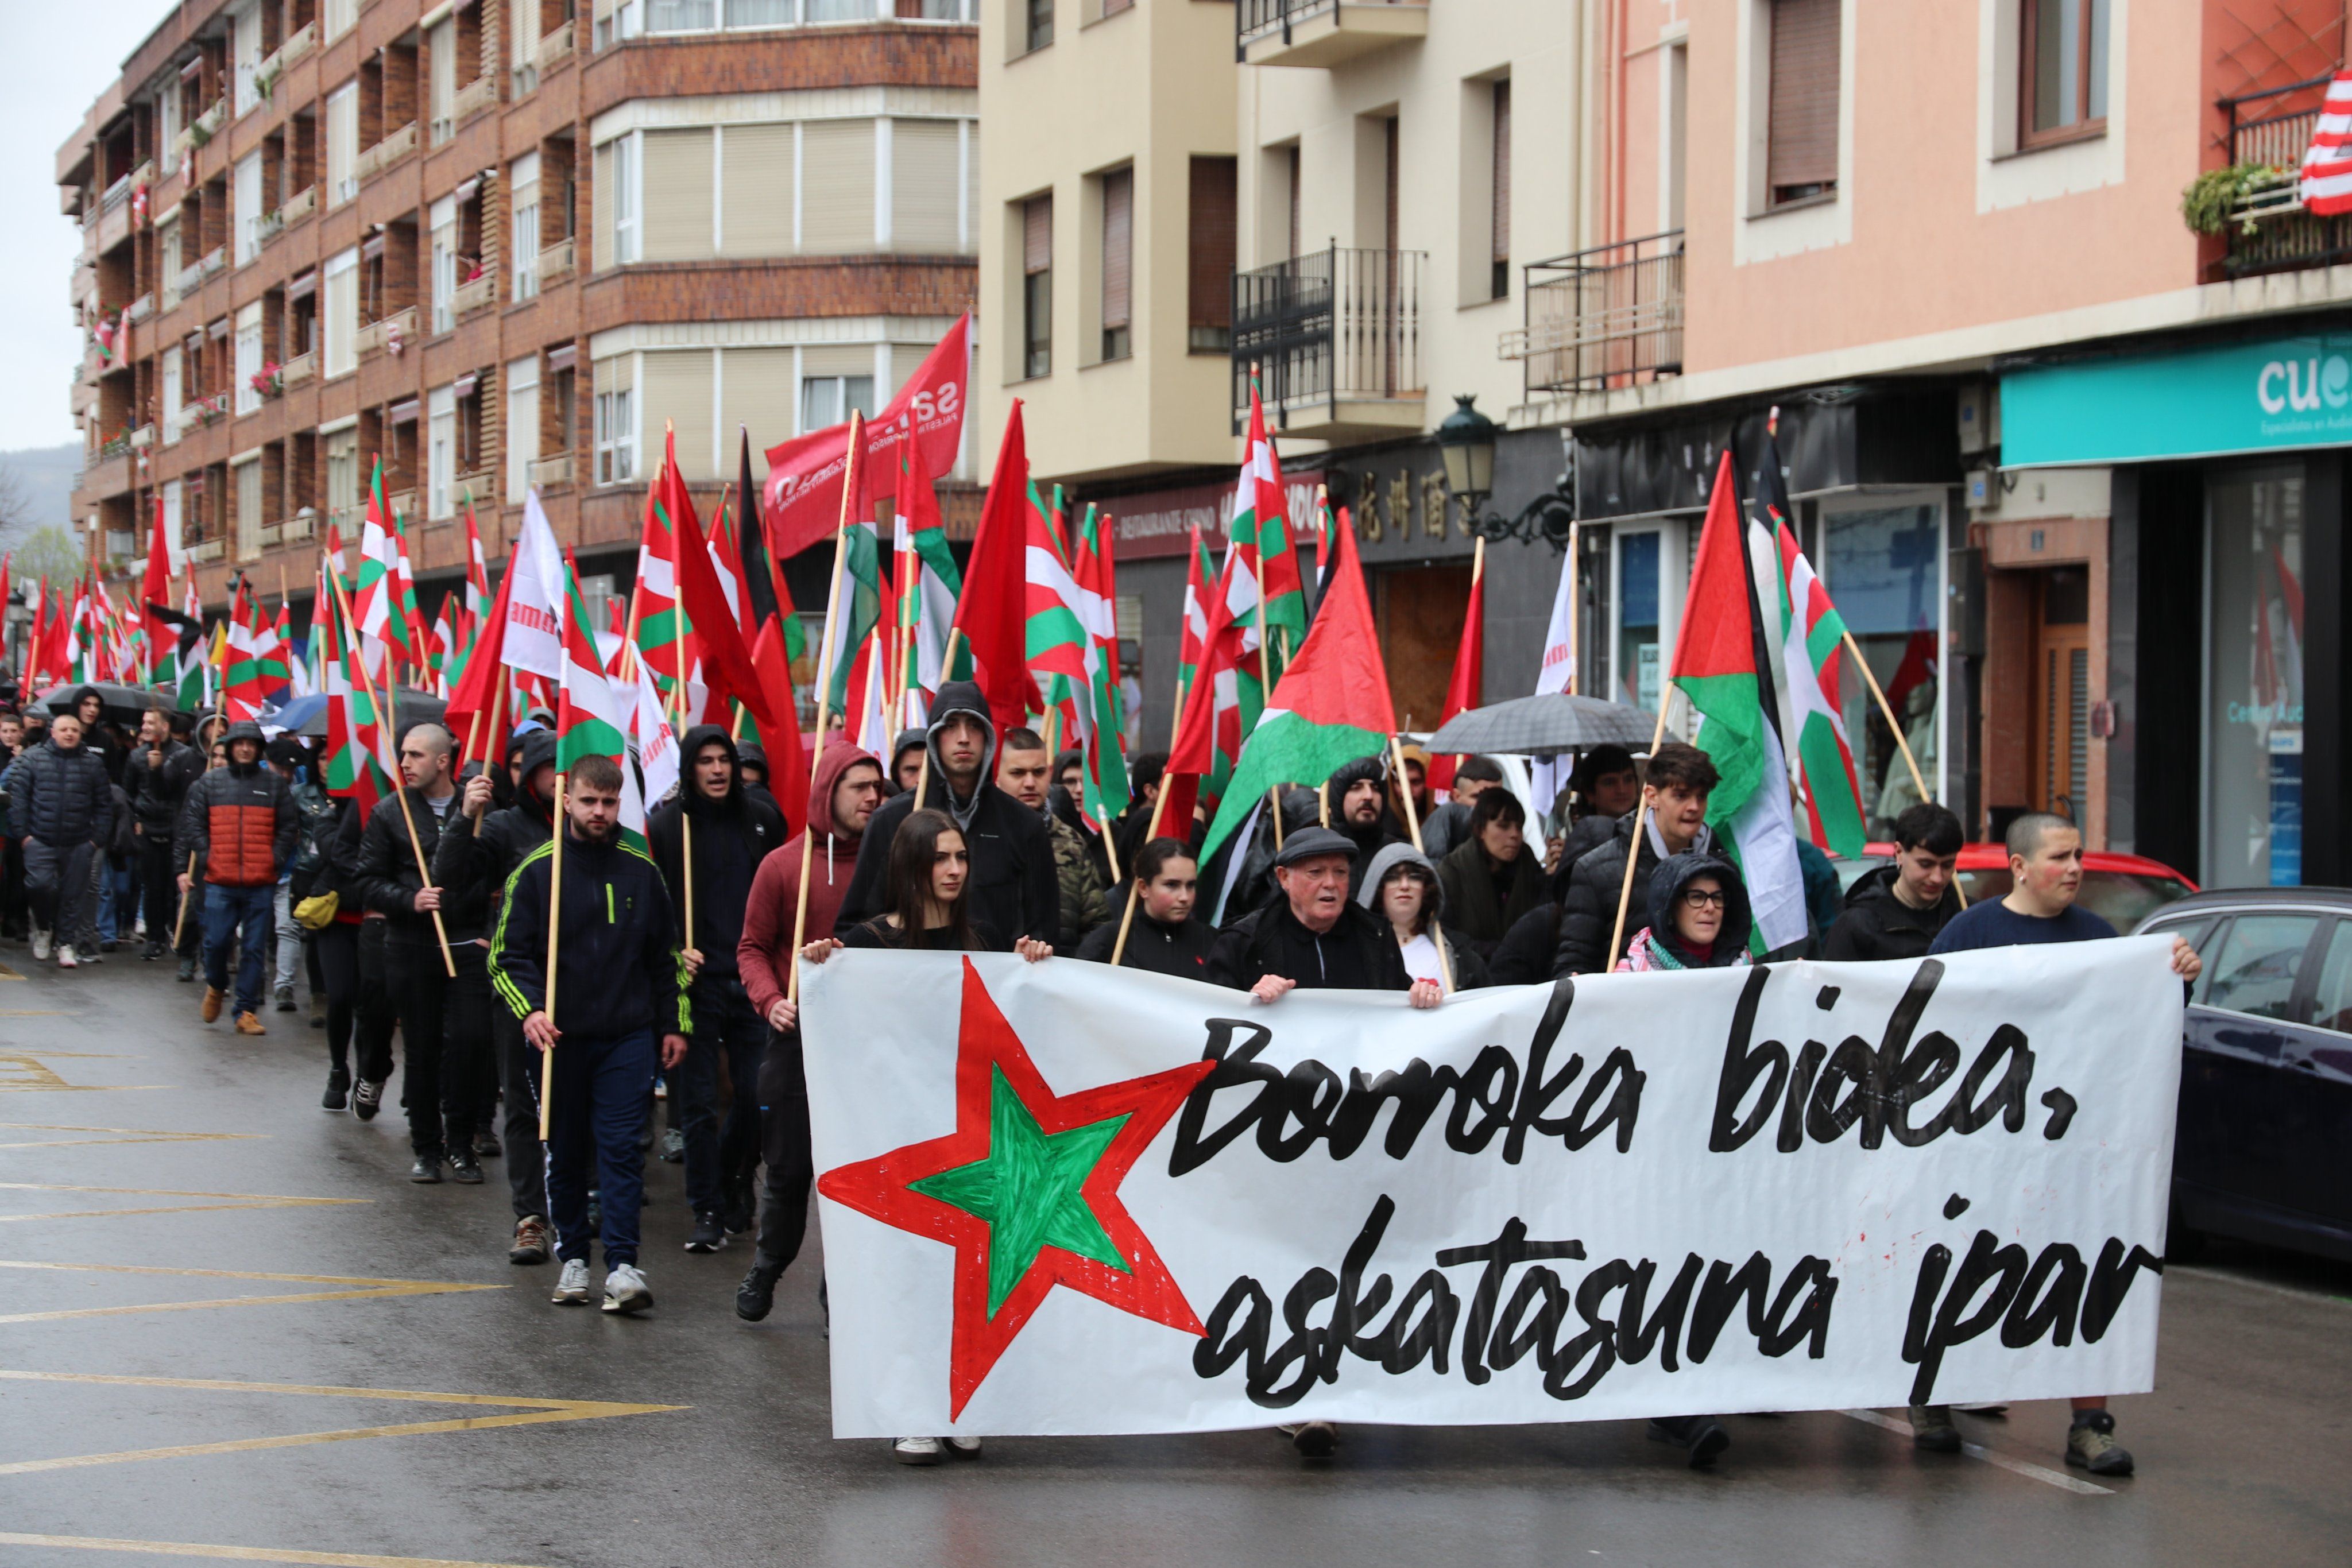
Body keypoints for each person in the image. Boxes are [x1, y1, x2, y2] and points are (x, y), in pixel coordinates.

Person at [1921, 810, 2201, 1477]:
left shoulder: (2100, 939)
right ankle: (1930, 1393)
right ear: (2019, 867)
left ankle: (2089, 1425)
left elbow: (2136, 1025)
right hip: (1980, 1141)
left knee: (2083, 1266)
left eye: (2078, 856)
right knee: (1957, 1262)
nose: (2075, 868)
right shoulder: (1971, 932)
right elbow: (1926, 1024)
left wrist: (2175, 981)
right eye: (2059, 857)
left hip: (2069, 1144)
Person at [797, 807, 1050, 1465]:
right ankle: (910, 1409)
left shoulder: (986, 937)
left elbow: (1014, 1024)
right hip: (896, 1130)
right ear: (911, 865)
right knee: (906, 1269)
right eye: (940, 858)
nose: (955, 869)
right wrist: (824, 967)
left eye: (961, 858)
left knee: (963, 1269)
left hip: (968, 1130)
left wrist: (1031, 966)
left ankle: (962, 1405)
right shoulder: (868, 946)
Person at [1208, 826, 1440, 1459]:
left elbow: (1398, 1019)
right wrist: (1249, 1007)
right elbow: (1204, 1029)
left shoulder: (1370, 936)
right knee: (1282, 1257)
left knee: (1343, 1258)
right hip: (1270, 1137)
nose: (1331, 884)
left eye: (1340, 871)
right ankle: (1294, 1385)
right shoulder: (1246, 940)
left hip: (1351, 1133)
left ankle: (1326, 1386)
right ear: (1283, 879)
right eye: (1315, 872)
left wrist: (1419, 1001)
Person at [489, 753, 690, 1318]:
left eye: (609, 802)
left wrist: (675, 1024)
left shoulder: (641, 872)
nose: (599, 812)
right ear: (566, 800)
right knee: (567, 1149)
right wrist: (529, 1010)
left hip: (627, 1035)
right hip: (558, 1037)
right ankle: (573, 1256)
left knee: (623, 1148)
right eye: (589, 801)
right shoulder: (536, 871)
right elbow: (506, 958)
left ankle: (623, 1265)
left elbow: (664, 958)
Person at [734, 741, 885, 1321]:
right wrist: (769, 1000)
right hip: (796, 1039)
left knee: (853, 1178)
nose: (872, 797)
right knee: (791, 1169)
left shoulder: (888, 865)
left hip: (866, 1044)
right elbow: (749, 947)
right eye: (858, 786)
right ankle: (768, 1266)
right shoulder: (781, 865)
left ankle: (836, 1295)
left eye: (877, 786)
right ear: (827, 792)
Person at [648, 726, 786, 1253]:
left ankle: (733, 1176)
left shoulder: (761, 819)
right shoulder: (666, 826)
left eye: (723, 759)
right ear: (689, 768)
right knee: (700, 1105)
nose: (717, 770)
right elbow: (653, 908)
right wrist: (673, 951)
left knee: (757, 1096)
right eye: (705, 760)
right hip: (695, 984)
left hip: (754, 981)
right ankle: (705, 1207)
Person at [438, 727, 560, 1263]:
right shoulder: (506, 826)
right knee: (524, 1103)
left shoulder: (600, 828)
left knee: (582, 1104)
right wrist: (465, 817)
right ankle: (530, 1216)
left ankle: (588, 1201)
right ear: (529, 775)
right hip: (519, 985)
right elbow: (451, 876)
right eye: (547, 768)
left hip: (588, 985)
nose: (560, 779)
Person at [351, 722, 485, 1185]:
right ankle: (427, 1147)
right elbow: (366, 879)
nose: (404, 764)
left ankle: (462, 1144)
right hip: (411, 944)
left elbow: (502, 872)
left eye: (415, 755)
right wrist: (408, 899)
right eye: (402, 754)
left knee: (469, 1045)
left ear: (443, 760)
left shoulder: (480, 802)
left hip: (467, 942)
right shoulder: (390, 812)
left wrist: (488, 927)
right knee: (423, 1049)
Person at [835, 680, 1057, 950]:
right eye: (950, 726)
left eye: (974, 725)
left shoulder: (1024, 825)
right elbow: (856, 925)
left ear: (988, 736)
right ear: (934, 736)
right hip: (908, 983)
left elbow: (1043, 927)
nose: (963, 737)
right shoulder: (891, 820)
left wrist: (1031, 954)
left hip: (992, 985)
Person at [1552, 742, 1719, 978]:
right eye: (1681, 796)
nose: (1694, 807)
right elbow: (1573, 962)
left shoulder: (1721, 867)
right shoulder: (1597, 870)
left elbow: (1735, 948)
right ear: (1652, 796)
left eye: (1701, 796)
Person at [176, 719, 296, 1030]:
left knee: (254, 949)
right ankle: (216, 985)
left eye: (251, 743)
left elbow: (288, 828)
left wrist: (275, 859)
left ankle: (244, 1010)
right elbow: (193, 824)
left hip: (261, 882)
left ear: (258, 749)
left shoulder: (274, 785)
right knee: (216, 943)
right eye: (239, 743)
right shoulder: (209, 783)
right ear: (230, 747)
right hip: (220, 880)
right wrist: (207, 856)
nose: (245, 748)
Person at [13, 711, 114, 969]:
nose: (70, 734)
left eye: (75, 730)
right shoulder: (32, 760)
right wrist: (25, 837)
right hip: (40, 840)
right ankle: (44, 928)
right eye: (64, 729)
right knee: (39, 886)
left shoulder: (93, 765)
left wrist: (95, 840)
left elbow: (104, 806)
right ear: (53, 732)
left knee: (73, 894)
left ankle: (66, 943)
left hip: (79, 842)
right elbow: (19, 801)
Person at [997, 726, 1108, 951]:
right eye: (1018, 773)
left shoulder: (1072, 843)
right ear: (997, 777)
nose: (1030, 783)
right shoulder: (981, 838)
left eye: (1038, 772)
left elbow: (1097, 926)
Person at [1823, 802, 1964, 962]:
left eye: (1947, 865)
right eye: (1926, 865)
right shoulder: (1857, 926)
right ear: (1899, 853)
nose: (1937, 877)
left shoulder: (1970, 917)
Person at [1076, 837, 1214, 978]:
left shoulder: (1210, 940)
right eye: (1172, 885)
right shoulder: (1110, 940)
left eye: (1190, 885)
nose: (1184, 897)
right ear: (1143, 888)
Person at [1358, 842, 1485, 990]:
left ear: (1426, 888)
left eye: (1414, 877)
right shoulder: (1356, 952)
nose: (1405, 885)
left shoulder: (1460, 953)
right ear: (1377, 888)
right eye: (1393, 878)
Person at [1436, 788, 1546, 959]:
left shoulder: (1530, 867)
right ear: (1481, 830)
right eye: (1503, 826)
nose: (1514, 834)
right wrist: (1495, 951)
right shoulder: (1452, 872)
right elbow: (1445, 933)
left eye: (1519, 827)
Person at [124, 709, 195, 962]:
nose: (145, 726)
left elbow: (180, 792)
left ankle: (177, 935)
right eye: (143, 722)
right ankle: (154, 938)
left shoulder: (183, 755)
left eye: (151, 722)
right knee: (152, 887)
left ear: (165, 726)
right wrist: (136, 820)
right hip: (148, 828)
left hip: (176, 828)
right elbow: (129, 793)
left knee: (173, 887)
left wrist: (159, 769)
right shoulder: (136, 756)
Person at [1615, 851, 1752, 973]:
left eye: (1717, 897)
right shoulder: (1629, 977)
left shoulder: (1748, 971)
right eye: (1697, 897)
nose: (1710, 907)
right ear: (1670, 906)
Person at [264, 737, 311, 1010]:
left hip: (290, 870)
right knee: (255, 929)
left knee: (288, 928)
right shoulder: (253, 779)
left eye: (290, 770)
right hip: (258, 868)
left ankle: (284, 987)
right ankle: (255, 981)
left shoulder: (303, 782)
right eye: (280, 768)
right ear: (268, 763)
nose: (286, 775)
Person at [1320, 756, 1407, 897]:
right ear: (1338, 797)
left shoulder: (1399, 854)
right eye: (1356, 788)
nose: (1369, 796)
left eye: (1376, 788)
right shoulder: (1320, 853)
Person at [1554, 745, 1642, 873]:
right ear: (1590, 793)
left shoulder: (1651, 831)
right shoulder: (1580, 844)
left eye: (1628, 780)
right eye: (1610, 782)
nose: (1622, 790)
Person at [1419, 754, 1502, 861]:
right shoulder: (1444, 818)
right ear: (1457, 796)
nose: (1487, 805)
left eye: (1496, 798)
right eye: (1477, 797)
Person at [888, 729, 927, 796]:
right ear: (897, 774)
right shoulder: (887, 806)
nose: (920, 780)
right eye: (911, 770)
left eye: (927, 769)